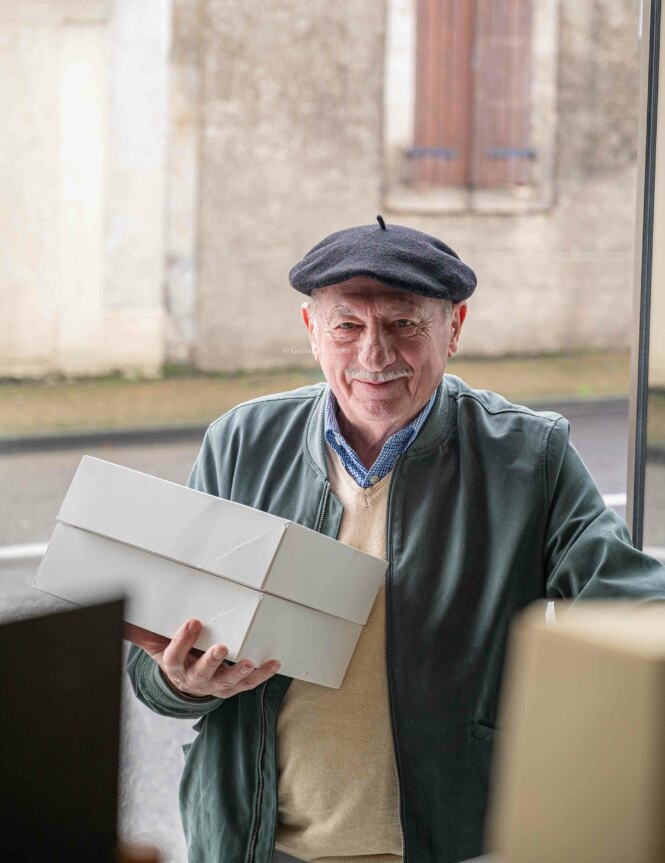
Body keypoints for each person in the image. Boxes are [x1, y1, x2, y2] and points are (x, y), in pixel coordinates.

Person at [127, 217, 665, 863]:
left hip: (454, 848)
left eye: (403, 324)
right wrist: (182, 681)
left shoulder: (530, 457)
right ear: (311, 331)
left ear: (453, 328)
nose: (373, 354)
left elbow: (634, 610)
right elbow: (150, 667)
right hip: (255, 848)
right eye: (347, 325)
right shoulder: (240, 443)